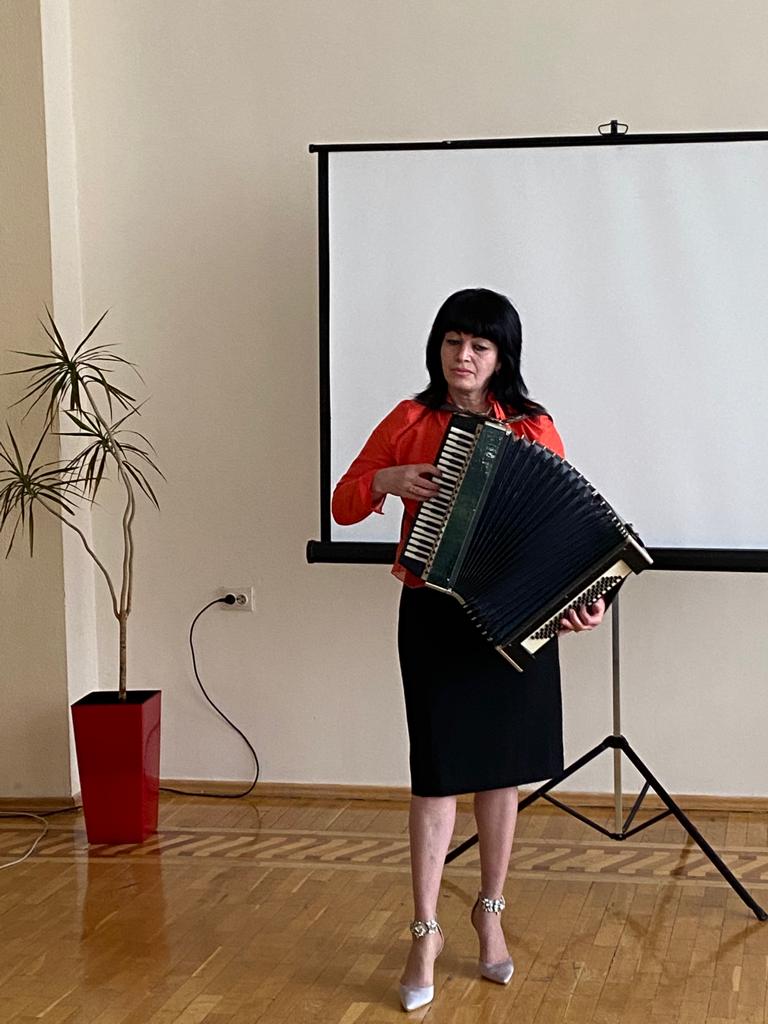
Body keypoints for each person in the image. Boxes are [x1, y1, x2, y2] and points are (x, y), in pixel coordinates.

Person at [332, 288, 605, 1012]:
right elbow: (343, 504)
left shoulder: (533, 427)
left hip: (511, 619)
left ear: (501, 356)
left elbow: (561, 533)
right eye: (454, 341)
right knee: (436, 775)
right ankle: (424, 931)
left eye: (480, 345)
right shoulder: (409, 419)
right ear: (439, 347)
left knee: (501, 774)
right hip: (434, 612)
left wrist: (583, 601)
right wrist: (385, 481)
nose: (464, 355)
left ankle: (490, 913)